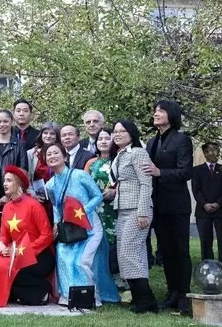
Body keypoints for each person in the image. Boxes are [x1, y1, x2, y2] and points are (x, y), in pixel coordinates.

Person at [45, 143, 119, 307]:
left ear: (64, 157)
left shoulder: (79, 175)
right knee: (63, 256)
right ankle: (68, 296)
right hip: (70, 229)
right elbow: (56, 207)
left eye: (55, 152)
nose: (52, 156)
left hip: (90, 226)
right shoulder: (49, 185)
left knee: (82, 261)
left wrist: (82, 211)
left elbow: (97, 196)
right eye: (48, 154)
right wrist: (57, 224)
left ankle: (91, 297)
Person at [0, 166, 54, 307]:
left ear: (18, 183)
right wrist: (1, 244)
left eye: (9, 180)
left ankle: (42, 290)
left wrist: (22, 250)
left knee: (7, 268)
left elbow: (47, 236)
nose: (4, 184)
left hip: (39, 255)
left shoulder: (34, 205)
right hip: (15, 251)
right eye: (4, 180)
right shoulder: (7, 207)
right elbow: (3, 235)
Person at [145, 100, 194, 315]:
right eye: (155, 110)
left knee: (180, 250)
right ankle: (172, 292)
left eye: (160, 111)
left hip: (177, 205)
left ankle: (184, 295)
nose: (156, 114)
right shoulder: (151, 142)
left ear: (171, 115)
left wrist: (160, 173)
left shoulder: (182, 140)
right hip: (157, 205)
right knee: (165, 251)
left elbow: (186, 172)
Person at [108, 119, 158, 313]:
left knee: (130, 253)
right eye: (115, 131)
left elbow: (146, 183)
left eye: (122, 131)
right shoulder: (120, 154)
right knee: (126, 255)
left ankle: (146, 301)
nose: (117, 134)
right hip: (123, 209)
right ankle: (141, 300)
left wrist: (143, 211)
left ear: (132, 134)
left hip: (137, 210)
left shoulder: (138, 153)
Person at [85, 128, 125, 295]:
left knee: (115, 244)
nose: (102, 141)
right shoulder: (91, 163)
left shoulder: (120, 160)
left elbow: (126, 182)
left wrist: (115, 192)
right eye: (100, 138)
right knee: (98, 245)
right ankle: (99, 284)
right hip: (96, 210)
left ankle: (120, 284)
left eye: (107, 138)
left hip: (115, 209)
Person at [192, 142, 222, 270]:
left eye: (217, 150)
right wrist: (205, 204)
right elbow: (196, 190)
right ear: (205, 153)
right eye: (211, 150)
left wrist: (218, 203)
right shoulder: (197, 170)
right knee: (205, 239)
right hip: (203, 211)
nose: (215, 153)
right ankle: (207, 264)